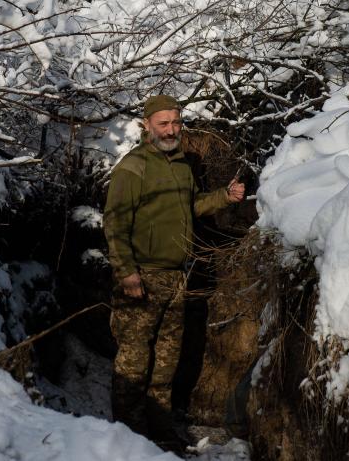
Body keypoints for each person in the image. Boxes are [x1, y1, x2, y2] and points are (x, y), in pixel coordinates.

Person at [103, 94, 245, 450]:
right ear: (147, 124)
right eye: (163, 123)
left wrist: (223, 197)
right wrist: (127, 273)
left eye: (176, 122)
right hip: (141, 277)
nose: (171, 130)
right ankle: (128, 439)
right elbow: (115, 223)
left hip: (176, 277)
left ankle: (160, 433)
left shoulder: (181, 165)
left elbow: (191, 205)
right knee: (133, 362)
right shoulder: (133, 168)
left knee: (166, 363)